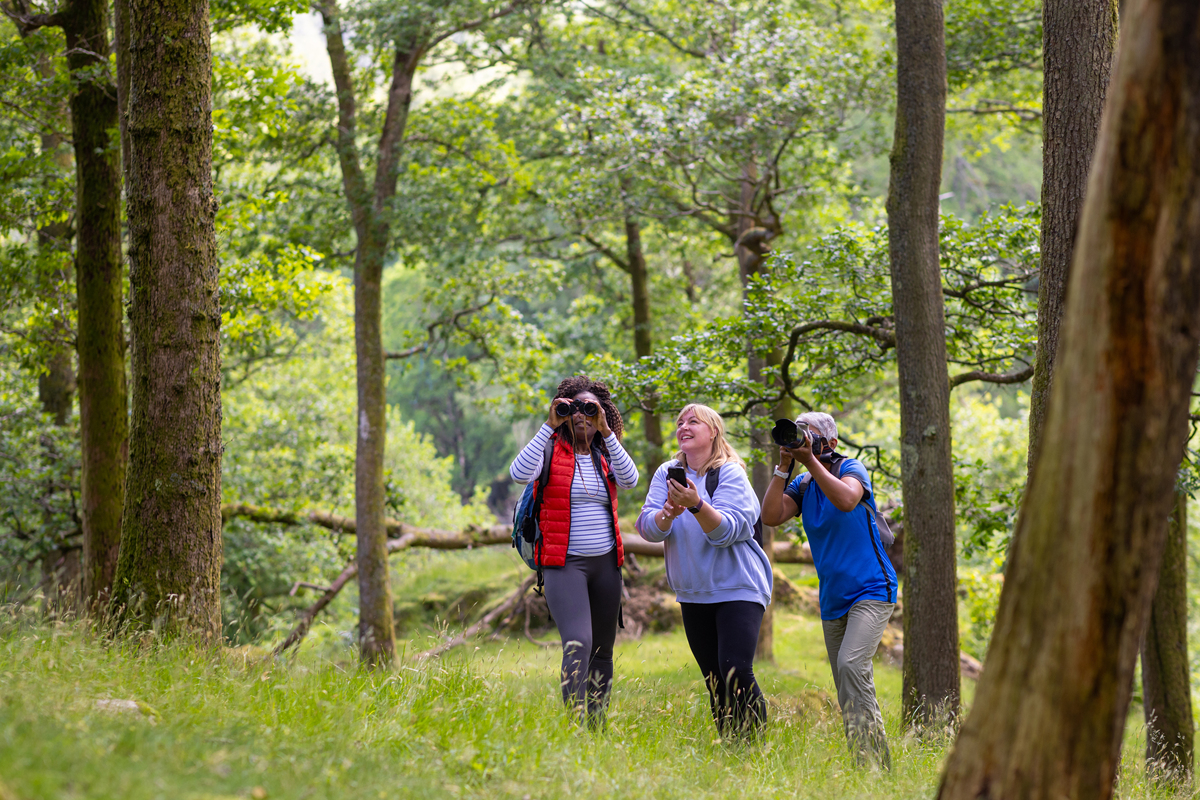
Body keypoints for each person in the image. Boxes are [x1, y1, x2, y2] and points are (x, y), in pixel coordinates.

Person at [760, 411, 897, 767]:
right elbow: (771, 516)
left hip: (871, 588)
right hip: (833, 598)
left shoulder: (850, 468)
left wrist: (810, 462)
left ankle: (876, 768)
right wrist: (784, 466)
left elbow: (848, 500)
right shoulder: (803, 485)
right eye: (797, 432)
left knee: (852, 665)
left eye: (809, 433)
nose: (802, 438)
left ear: (831, 443)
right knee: (847, 684)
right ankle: (865, 763)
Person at [636, 403, 772, 737]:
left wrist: (696, 504)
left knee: (735, 670)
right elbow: (648, 529)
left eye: (693, 421)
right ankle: (732, 747)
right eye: (680, 421)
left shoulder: (729, 472)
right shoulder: (667, 473)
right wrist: (667, 512)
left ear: (713, 431)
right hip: (693, 590)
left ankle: (756, 746)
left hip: (738, 585)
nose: (683, 426)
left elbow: (727, 531)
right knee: (714, 677)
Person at [509, 376, 638, 724]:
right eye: (573, 408)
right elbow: (518, 473)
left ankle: (597, 724)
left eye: (589, 409)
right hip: (563, 565)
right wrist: (549, 425)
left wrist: (607, 432)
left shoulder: (605, 454)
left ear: (602, 414)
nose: (580, 415)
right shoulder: (550, 451)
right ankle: (576, 723)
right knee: (578, 643)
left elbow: (631, 481)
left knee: (602, 650)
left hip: (607, 565)